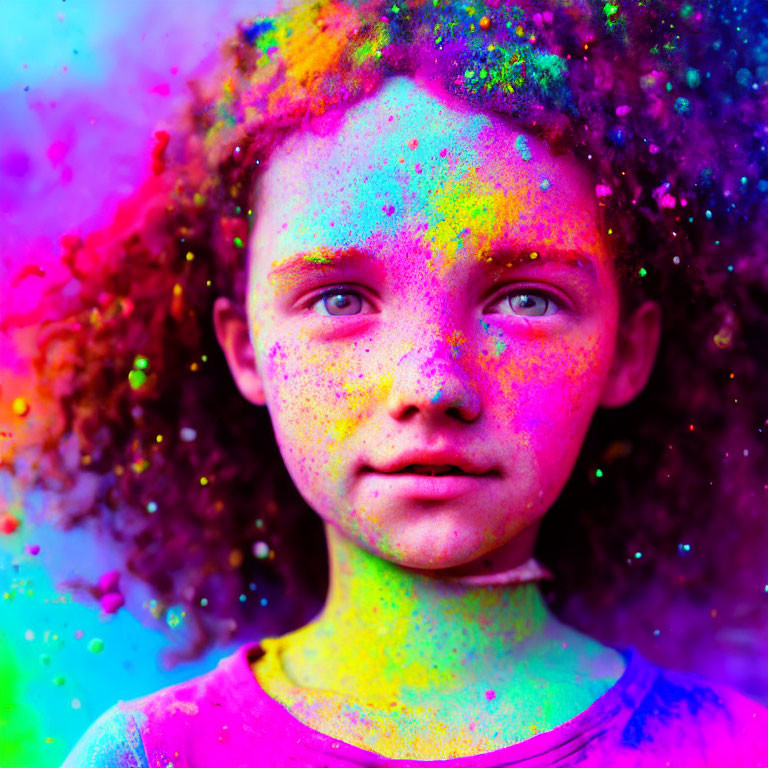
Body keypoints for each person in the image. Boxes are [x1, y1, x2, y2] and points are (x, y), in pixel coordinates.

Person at [15, 0, 764, 764]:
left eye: (526, 299)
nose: (431, 383)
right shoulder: (149, 756)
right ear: (244, 349)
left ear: (626, 351)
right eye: (339, 298)